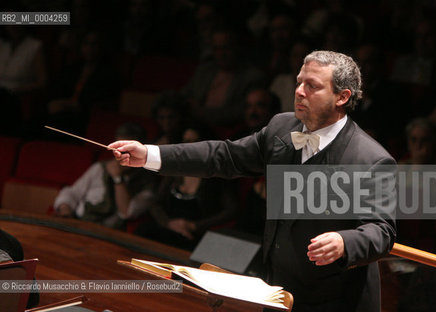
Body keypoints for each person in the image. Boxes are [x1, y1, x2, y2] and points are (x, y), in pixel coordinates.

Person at [109, 50, 396, 312]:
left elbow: (381, 231)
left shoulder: (370, 160)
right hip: (278, 291)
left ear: (342, 97)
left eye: (312, 86)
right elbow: (223, 156)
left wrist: (344, 241)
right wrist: (149, 154)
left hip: (336, 301)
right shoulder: (281, 128)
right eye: (299, 82)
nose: (299, 92)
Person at [134, 125, 239, 250]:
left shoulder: (217, 177)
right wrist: (168, 223)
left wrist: (194, 225)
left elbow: (232, 211)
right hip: (169, 227)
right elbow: (155, 203)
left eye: (196, 142)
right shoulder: (175, 172)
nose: (191, 147)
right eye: (187, 142)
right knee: (144, 232)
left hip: (194, 234)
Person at [54, 123, 154, 229]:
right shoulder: (100, 168)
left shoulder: (147, 181)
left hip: (107, 232)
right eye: (117, 149)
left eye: (126, 150)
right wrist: (65, 209)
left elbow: (126, 212)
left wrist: (117, 178)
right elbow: (72, 192)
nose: (119, 154)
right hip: (79, 223)